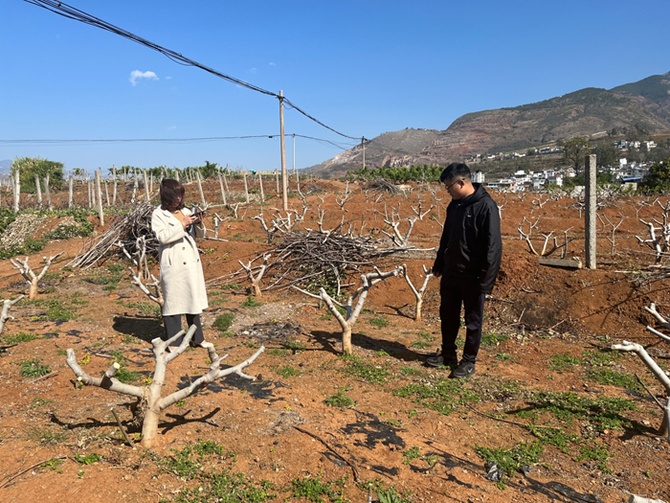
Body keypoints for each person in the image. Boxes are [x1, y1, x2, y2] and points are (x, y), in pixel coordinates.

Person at [426, 163, 502, 378]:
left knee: (473, 320)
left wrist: (486, 281)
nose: (447, 191)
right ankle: (448, 354)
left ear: (461, 182)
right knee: (447, 315)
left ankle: (468, 361)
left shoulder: (486, 207)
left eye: (449, 186)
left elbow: (493, 246)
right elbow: (447, 236)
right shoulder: (454, 206)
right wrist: (440, 263)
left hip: (473, 276)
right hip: (451, 272)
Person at [151, 179, 212, 349]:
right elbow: (162, 237)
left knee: (192, 300)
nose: (178, 199)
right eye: (175, 195)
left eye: (180, 194)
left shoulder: (185, 211)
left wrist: (198, 223)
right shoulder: (158, 214)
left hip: (190, 262)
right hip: (174, 262)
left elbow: (197, 235)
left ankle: (197, 339)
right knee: (173, 301)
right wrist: (182, 224)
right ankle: (174, 342)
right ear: (166, 196)